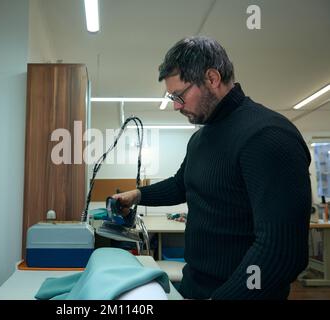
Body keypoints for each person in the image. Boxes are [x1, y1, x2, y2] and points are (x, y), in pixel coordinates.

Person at [113, 36, 311, 300]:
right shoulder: (201, 138)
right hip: (195, 286)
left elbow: (281, 251)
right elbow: (181, 184)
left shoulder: (268, 136)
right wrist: (137, 195)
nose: (175, 106)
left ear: (212, 78)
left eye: (179, 95)